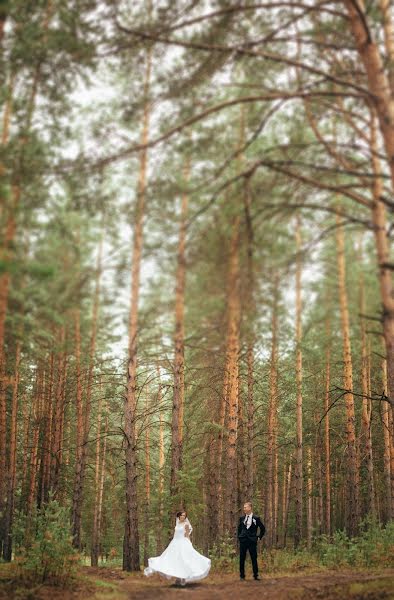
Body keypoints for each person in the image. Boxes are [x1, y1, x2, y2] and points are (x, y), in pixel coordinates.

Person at [144, 510, 211, 586]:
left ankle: (183, 578)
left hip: (183, 543)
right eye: (182, 515)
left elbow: (186, 535)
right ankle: (178, 578)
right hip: (175, 543)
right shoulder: (177, 523)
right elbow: (176, 534)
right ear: (179, 516)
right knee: (174, 560)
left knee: (184, 560)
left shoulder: (186, 524)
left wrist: (189, 543)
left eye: (184, 515)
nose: (183, 516)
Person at [237, 501, 265, 581]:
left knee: (254, 558)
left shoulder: (256, 518)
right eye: (244, 507)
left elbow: (263, 529)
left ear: (250, 508)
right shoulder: (242, 518)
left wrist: (259, 537)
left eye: (245, 507)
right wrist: (240, 537)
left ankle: (256, 575)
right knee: (242, 558)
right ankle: (242, 576)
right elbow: (239, 529)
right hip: (243, 541)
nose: (244, 509)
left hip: (252, 541)